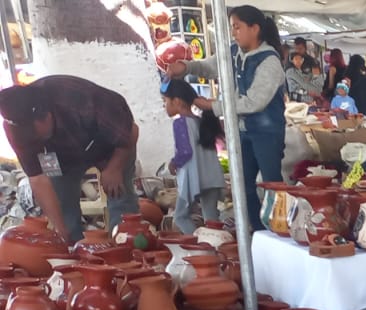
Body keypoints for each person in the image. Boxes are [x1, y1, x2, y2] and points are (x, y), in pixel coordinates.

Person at [169, 5, 286, 232]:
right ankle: (257, 232)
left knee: (272, 183)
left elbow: (253, 102)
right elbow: (209, 67)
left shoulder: (269, 61)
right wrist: (186, 67)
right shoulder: (233, 52)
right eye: (232, 27)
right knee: (243, 186)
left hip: (267, 133)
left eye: (237, 27)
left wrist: (213, 106)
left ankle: (279, 230)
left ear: (254, 28)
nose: (233, 33)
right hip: (241, 130)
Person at [0, 75, 140, 242]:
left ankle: (124, 246)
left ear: (46, 116)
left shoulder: (83, 100)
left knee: (120, 197)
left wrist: (114, 168)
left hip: (109, 145)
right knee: (62, 206)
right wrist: (60, 230)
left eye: (35, 134)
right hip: (61, 156)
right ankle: (74, 249)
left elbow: (131, 132)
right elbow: (38, 179)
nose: (33, 139)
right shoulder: (16, 128)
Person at [161, 78, 224, 234]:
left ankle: (198, 243)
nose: (164, 106)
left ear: (177, 101)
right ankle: (215, 244)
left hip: (193, 178)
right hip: (212, 177)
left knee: (180, 217)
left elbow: (185, 152)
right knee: (212, 220)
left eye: (165, 101)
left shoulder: (180, 123)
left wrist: (173, 163)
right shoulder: (202, 122)